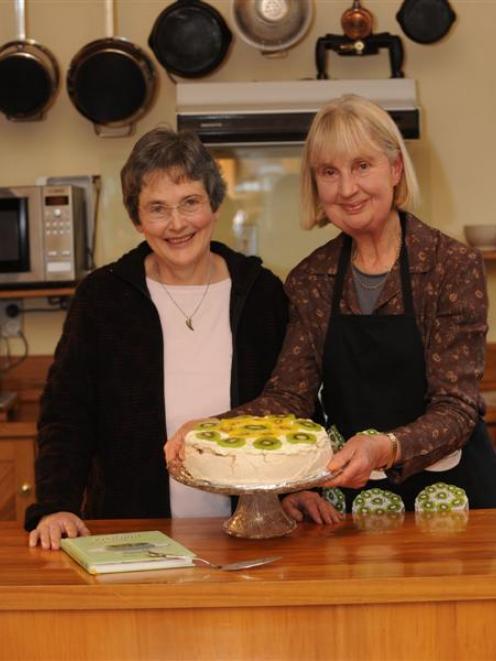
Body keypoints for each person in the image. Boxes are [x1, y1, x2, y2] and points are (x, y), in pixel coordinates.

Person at [167, 94, 496, 520]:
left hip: (452, 503)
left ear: (395, 169)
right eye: (329, 172)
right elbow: (290, 397)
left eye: (362, 166)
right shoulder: (310, 279)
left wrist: (385, 447)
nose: (347, 188)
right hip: (351, 510)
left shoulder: (450, 266)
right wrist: (212, 429)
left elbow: (457, 407)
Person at [25, 126, 292, 549]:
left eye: (190, 202)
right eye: (157, 209)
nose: (177, 224)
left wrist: (297, 493)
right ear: (137, 220)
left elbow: (291, 405)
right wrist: (57, 504)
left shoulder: (261, 293)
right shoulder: (103, 297)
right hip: (132, 534)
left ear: (214, 205)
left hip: (252, 533)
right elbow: (66, 413)